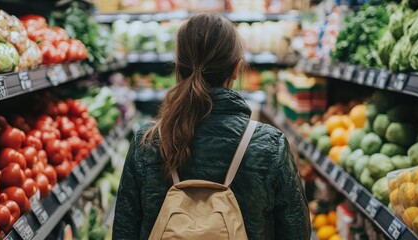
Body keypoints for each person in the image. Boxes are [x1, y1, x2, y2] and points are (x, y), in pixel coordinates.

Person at [113, 13, 311, 240]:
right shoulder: (269, 144)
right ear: (236, 69)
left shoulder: (147, 141)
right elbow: (296, 232)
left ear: (179, 67)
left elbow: (124, 231)